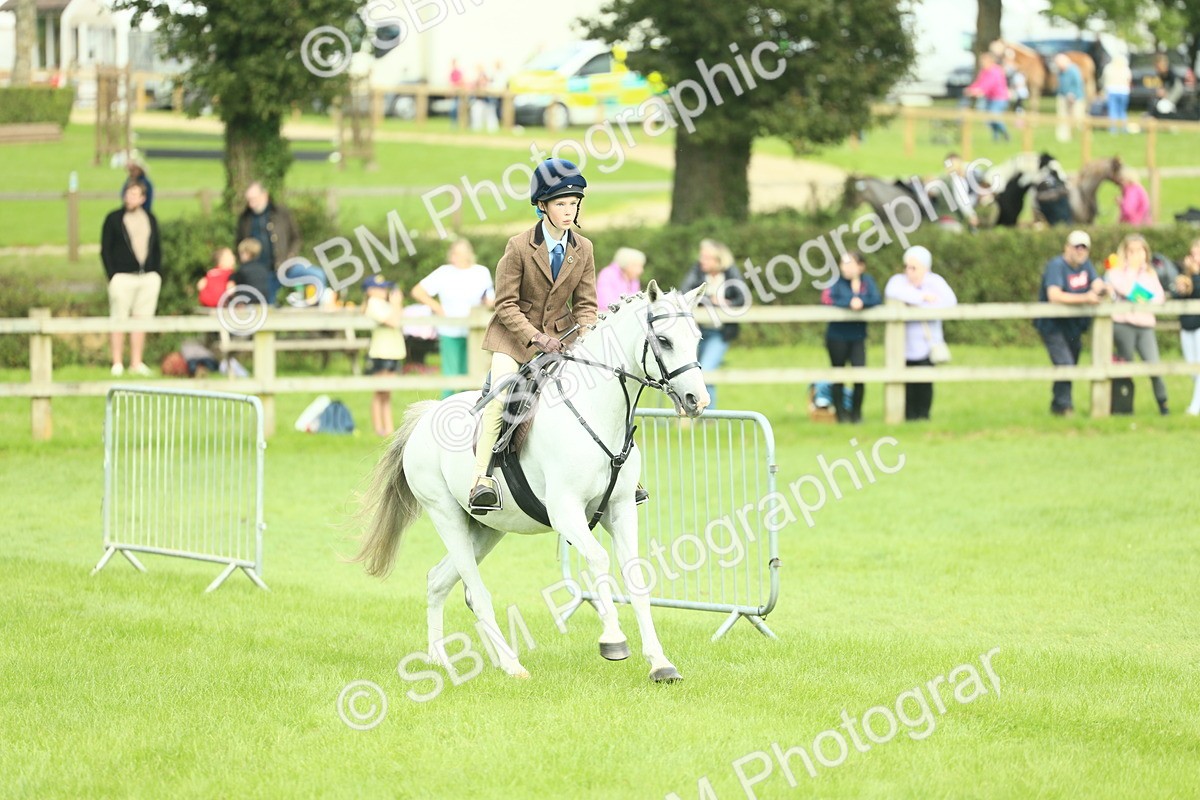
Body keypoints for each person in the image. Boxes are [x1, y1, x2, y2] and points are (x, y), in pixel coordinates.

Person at [469, 159, 598, 512]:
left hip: (562, 338)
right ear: (542, 205)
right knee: (501, 395)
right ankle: (481, 479)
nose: (569, 211)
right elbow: (505, 304)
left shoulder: (584, 248)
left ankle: (614, 476)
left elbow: (586, 304)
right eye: (561, 204)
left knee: (599, 389)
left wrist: (587, 333)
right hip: (513, 339)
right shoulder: (519, 246)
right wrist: (536, 338)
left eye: (574, 203)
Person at [1033, 230, 1107, 416]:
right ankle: (1066, 407)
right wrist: (1085, 298)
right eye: (1076, 247)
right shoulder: (1057, 266)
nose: (1080, 251)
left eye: (1084, 247)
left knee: (1069, 365)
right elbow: (1054, 295)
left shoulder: (1086, 265)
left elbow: (1097, 283)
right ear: (1067, 247)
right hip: (1053, 325)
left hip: (1073, 326)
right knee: (1065, 364)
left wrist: (1104, 289)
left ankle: (1057, 405)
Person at [411, 238, 496, 398]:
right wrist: (437, 307)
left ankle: (468, 406)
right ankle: (446, 406)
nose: (454, 257)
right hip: (450, 330)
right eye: (453, 254)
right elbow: (418, 291)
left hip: (475, 332)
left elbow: (490, 297)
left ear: (468, 255)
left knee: (472, 375)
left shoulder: (480, 272)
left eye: (459, 254)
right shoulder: (444, 272)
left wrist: (488, 302)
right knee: (450, 376)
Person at [884, 246, 957, 421]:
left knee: (924, 382)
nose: (909, 272)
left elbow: (949, 302)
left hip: (927, 344)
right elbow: (892, 292)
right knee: (906, 383)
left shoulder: (935, 282)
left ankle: (923, 416)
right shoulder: (898, 281)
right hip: (903, 345)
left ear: (925, 268)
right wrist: (922, 297)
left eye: (914, 268)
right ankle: (908, 416)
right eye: (907, 267)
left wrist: (915, 303)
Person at [101, 182, 162, 377]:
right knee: (119, 318)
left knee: (141, 319)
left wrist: (156, 271)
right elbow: (105, 249)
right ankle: (117, 362)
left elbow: (157, 248)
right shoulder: (113, 219)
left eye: (135, 194)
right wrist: (112, 275)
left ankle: (136, 362)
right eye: (128, 194)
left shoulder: (150, 219)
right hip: (122, 277)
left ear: (143, 198)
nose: (130, 198)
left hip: (146, 277)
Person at [680, 239, 749, 410]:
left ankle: (708, 416)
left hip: (719, 333)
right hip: (696, 332)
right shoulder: (697, 271)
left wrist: (724, 303)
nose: (701, 260)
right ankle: (691, 413)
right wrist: (709, 300)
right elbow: (685, 294)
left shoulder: (730, 273)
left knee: (707, 371)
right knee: (691, 373)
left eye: (706, 257)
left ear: (718, 260)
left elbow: (742, 299)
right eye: (701, 256)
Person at [1106, 233, 1169, 415]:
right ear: (1125, 253)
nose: (1136, 255)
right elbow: (1128, 290)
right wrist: (1134, 276)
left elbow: (1159, 298)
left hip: (1145, 325)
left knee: (1154, 365)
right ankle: (1123, 407)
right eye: (1131, 251)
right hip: (1123, 324)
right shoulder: (1115, 273)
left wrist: (1142, 297)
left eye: (1140, 250)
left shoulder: (1150, 273)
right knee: (1125, 366)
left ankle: (1163, 404)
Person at [825, 251, 881, 423]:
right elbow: (828, 299)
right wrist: (850, 302)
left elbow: (876, 299)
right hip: (837, 336)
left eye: (850, 263)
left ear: (861, 266)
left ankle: (856, 415)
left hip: (858, 336)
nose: (846, 267)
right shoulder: (835, 282)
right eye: (843, 263)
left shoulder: (867, 282)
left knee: (859, 375)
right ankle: (841, 415)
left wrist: (861, 301)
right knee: (838, 375)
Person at [236, 182, 301, 306]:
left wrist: (291, 256)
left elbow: (295, 238)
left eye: (254, 199)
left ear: (264, 195)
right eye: (249, 200)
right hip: (257, 274)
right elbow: (239, 243)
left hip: (281, 267)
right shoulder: (245, 218)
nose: (251, 203)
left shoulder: (281, 213)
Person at [362, 274, 406, 436]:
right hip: (381, 351)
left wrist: (396, 305)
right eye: (379, 288)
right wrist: (396, 304)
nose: (384, 291)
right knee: (379, 392)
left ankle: (388, 428)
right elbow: (393, 321)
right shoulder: (373, 304)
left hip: (393, 351)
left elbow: (398, 317)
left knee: (387, 393)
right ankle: (379, 428)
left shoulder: (384, 304)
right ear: (369, 291)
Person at [1176, 238, 1200, 415]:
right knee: (1192, 367)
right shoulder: (1185, 275)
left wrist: (1196, 276)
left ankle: (1195, 407)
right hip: (1187, 326)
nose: (1195, 258)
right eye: (1193, 254)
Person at [964, 52, 1010, 142]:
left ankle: (1005, 133)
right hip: (990, 98)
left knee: (994, 116)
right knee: (990, 119)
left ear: (989, 61)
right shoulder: (984, 71)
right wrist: (970, 89)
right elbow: (979, 82)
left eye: (983, 61)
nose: (981, 63)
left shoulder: (995, 71)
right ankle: (996, 138)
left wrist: (978, 91)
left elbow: (988, 84)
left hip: (999, 98)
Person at [232, 238, 273, 305]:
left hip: (246, 301)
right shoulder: (263, 269)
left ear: (247, 254)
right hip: (262, 300)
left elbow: (234, 288)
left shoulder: (242, 269)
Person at [1055, 53, 1085, 143]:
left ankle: (1083, 136)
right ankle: (1063, 137)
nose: (1058, 66)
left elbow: (1078, 83)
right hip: (1063, 96)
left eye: (1059, 64)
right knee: (1062, 116)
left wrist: (1072, 93)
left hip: (1075, 98)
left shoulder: (1073, 70)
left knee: (1078, 117)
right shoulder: (1061, 71)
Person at [1101, 55, 1132, 134]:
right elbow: (1129, 80)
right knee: (1122, 111)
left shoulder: (1108, 68)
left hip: (1112, 90)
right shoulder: (1126, 69)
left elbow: (1104, 79)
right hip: (1123, 91)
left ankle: (1113, 129)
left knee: (1113, 111)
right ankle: (1123, 128)